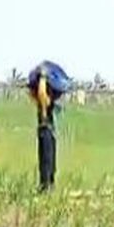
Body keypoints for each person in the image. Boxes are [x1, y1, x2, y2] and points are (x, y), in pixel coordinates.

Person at [28, 61, 72, 193]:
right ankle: (46, 186)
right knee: (46, 160)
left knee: (49, 160)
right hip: (45, 129)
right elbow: (41, 94)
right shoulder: (44, 103)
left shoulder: (49, 102)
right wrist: (43, 78)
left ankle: (49, 184)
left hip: (48, 131)